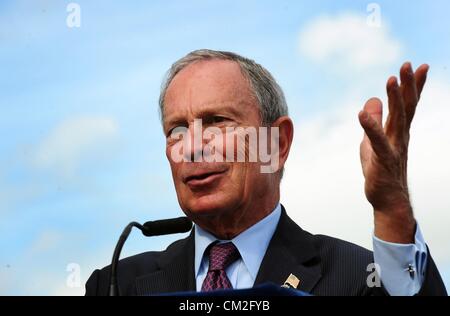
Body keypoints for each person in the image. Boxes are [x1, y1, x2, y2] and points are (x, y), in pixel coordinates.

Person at [85, 49, 447, 296]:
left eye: (216, 122)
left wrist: (392, 208)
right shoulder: (118, 285)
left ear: (277, 143)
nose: (191, 146)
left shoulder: (359, 278)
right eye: (175, 130)